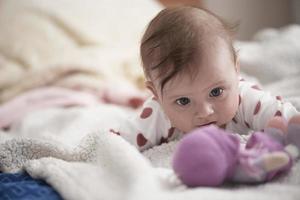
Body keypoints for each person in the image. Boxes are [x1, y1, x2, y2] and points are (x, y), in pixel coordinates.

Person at [108, 6, 300, 179]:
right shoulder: (158, 113)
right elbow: (116, 143)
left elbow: (287, 121)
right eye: (183, 101)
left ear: (235, 70)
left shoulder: (245, 98)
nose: (205, 112)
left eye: (216, 92)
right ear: (157, 96)